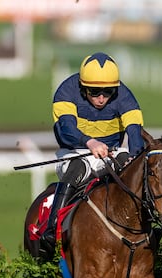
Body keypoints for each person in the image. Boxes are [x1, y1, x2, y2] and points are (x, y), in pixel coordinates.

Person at [41, 52, 145, 258]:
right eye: (95, 91)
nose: (101, 98)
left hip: (111, 153)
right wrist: (89, 142)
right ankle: (51, 231)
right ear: (83, 87)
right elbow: (66, 128)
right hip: (74, 152)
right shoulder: (66, 91)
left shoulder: (125, 97)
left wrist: (135, 156)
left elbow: (135, 132)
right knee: (77, 167)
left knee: (134, 170)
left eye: (108, 92)